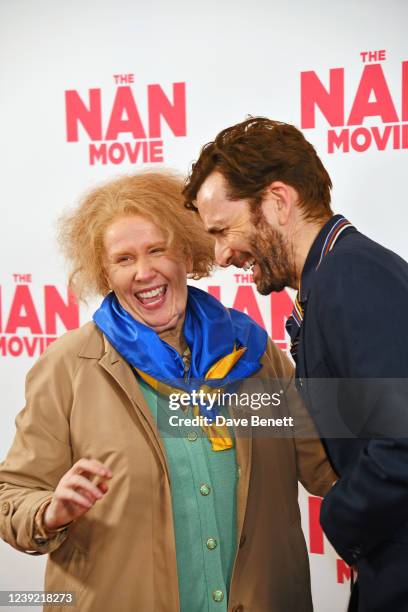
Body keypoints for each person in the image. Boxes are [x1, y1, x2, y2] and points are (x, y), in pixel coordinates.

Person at [0, 171, 335, 612]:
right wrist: (49, 510)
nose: (144, 272)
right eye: (124, 259)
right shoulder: (70, 366)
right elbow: (14, 495)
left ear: (187, 253)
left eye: (157, 250)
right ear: (105, 272)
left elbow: (326, 465)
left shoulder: (251, 351)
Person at [184, 117, 408, 612]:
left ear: (279, 201)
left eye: (223, 230)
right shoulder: (330, 278)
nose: (222, 254)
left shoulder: (353, 277)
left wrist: (341, 519)